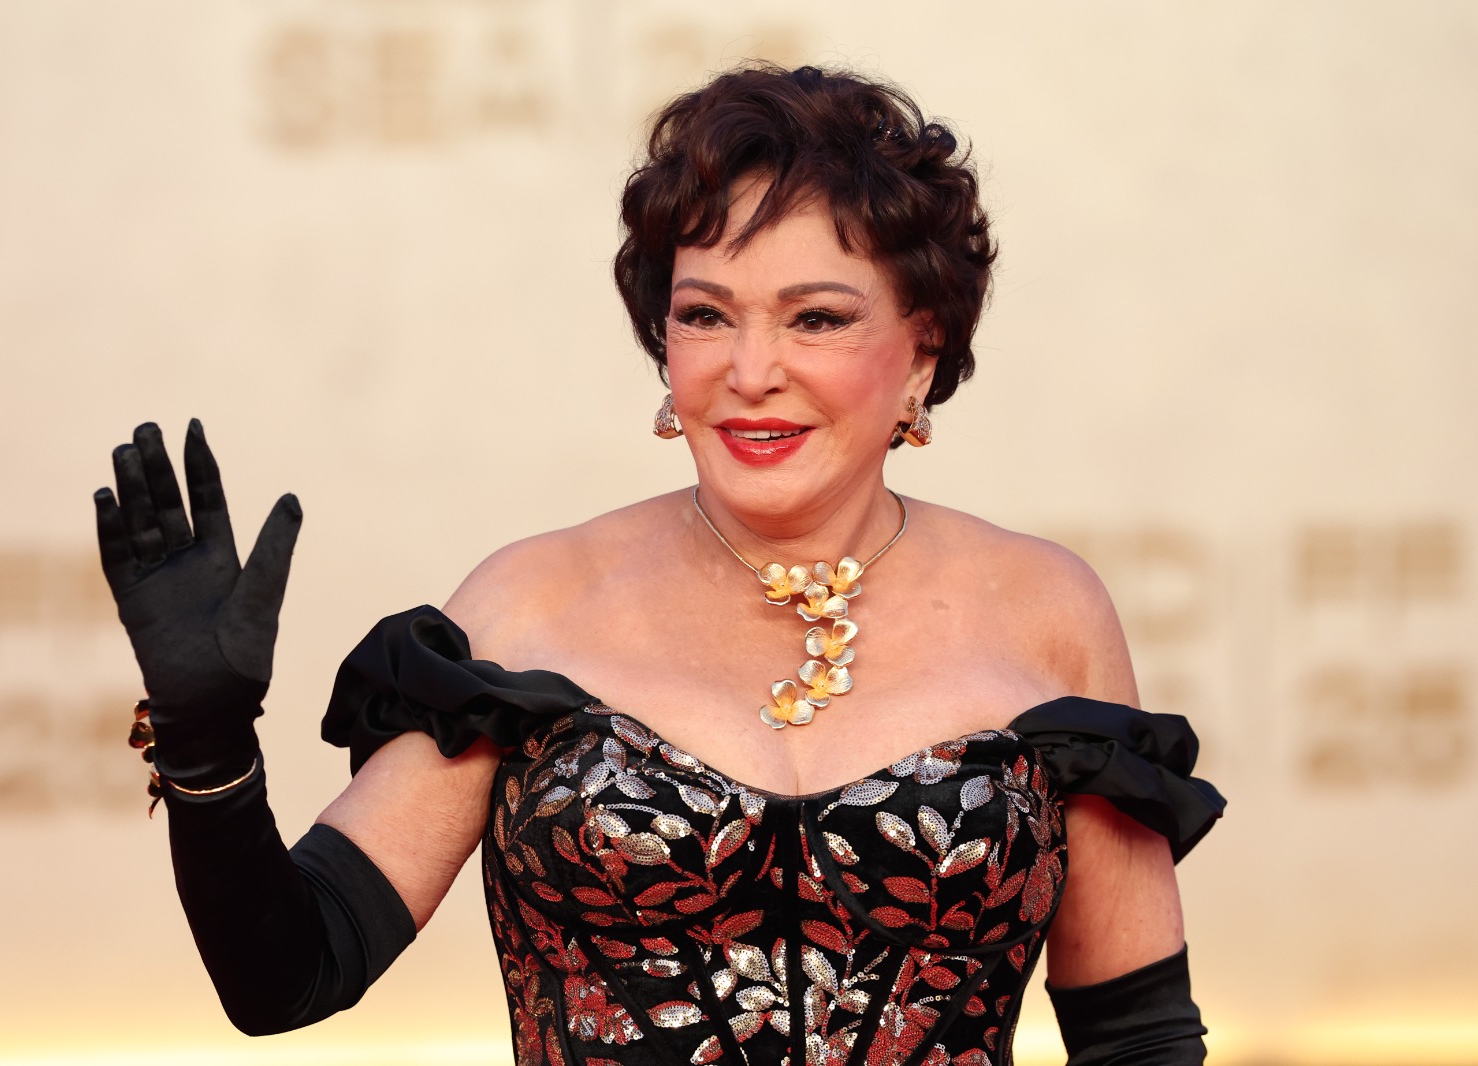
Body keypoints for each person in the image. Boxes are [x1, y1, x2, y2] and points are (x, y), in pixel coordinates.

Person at [95, 64, 1224, 1066]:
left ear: (922, 346)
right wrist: (206, 745)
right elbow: (286, 975)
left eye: (816, 320)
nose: (751, 370)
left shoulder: (1045, 611)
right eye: (705, 316)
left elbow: (1136, 1039)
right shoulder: (529, 604)